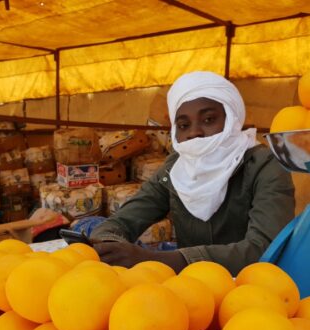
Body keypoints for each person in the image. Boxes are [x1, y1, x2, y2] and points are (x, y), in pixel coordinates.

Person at [91, 71, 295, 275]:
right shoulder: (176, 168)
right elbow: (125, 219)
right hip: (193, 293)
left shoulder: (265, 166)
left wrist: (154, 259)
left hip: (253, 292)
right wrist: (109, 244)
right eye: (183, 125)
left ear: (232, 118)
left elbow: (263, 249)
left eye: (208, 119)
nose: (194, 132)